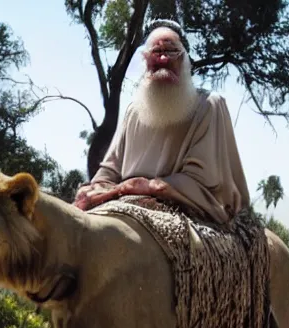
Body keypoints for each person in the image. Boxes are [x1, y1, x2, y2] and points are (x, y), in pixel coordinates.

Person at [74, 19, 250, 225]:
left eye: (171, 51)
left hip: (182, 215)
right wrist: (95, 189)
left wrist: (150, 187)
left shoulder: (209, 105)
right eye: (156, 53)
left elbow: (206, 184)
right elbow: (110, 171)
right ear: (145, 60)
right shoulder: (133, 111)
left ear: (184, 59)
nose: (164, 58)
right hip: (121, 208)